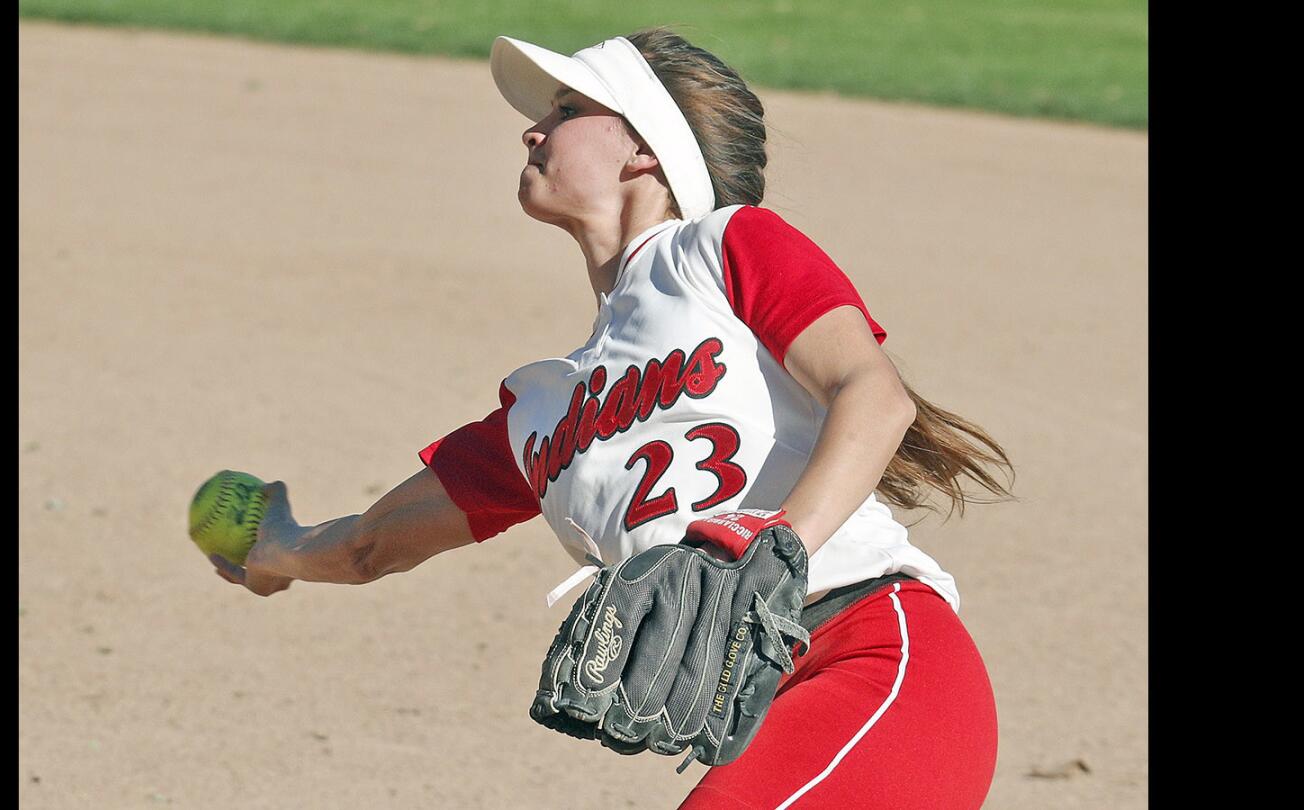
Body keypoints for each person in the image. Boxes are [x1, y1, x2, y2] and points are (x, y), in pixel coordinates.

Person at [209, 27, 1015, 809]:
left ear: (643, 147)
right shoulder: (540, 413)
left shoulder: (723, 249)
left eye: (565, 110)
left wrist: (771, 545)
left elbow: (873, 394)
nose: (533, 129)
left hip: (882, 659)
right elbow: (364, 547)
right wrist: (274, 549)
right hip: (788, 711)